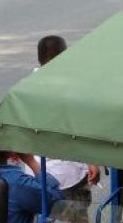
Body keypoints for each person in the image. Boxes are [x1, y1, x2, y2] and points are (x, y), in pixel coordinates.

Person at [34, 35, 100, 196]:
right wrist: (92, 161)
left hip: (36, 171)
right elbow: (82, 128)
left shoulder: (28, 86)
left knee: (45, 216)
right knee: (77, 218)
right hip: (68, 174)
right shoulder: (73, 90)